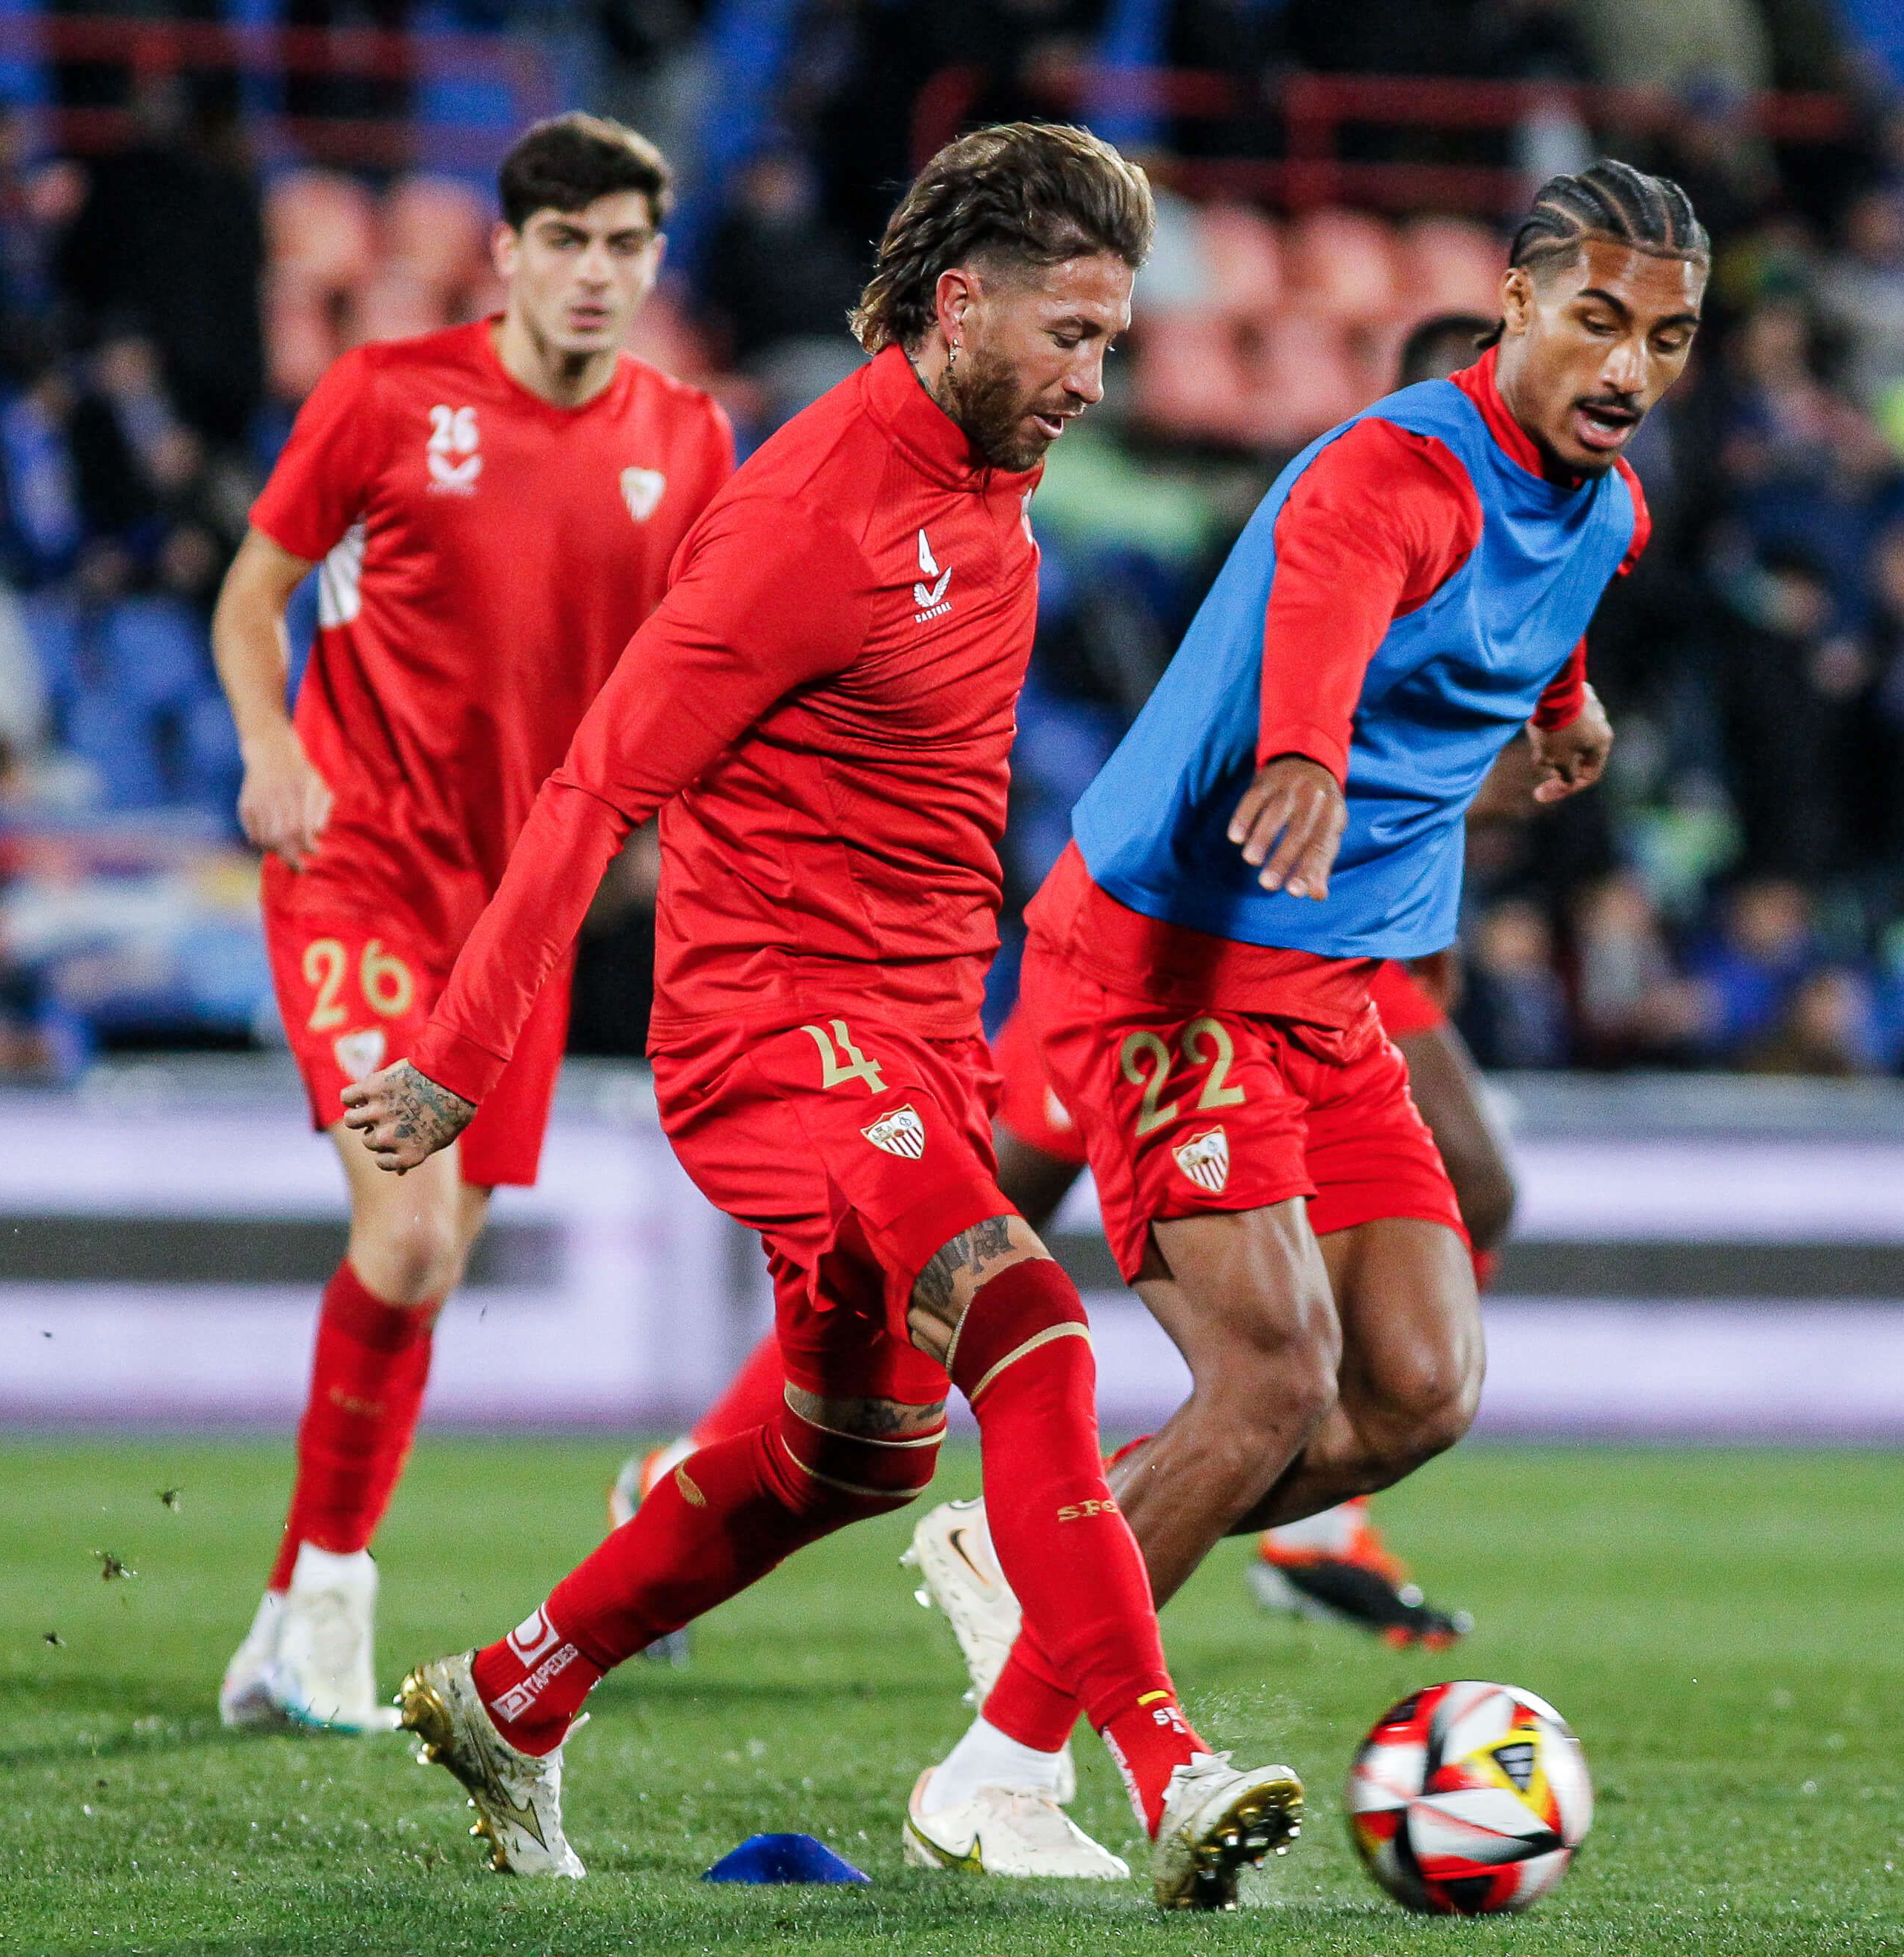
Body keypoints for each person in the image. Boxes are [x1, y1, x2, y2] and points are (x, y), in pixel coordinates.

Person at [335, 122, 1303, 1908]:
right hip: (776, 1035)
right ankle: (1167, 1767)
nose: (1095, 383)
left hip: (915, 1035)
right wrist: (467, 1054)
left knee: (850, 1453)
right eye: (1069, 337)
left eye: (1111, 340)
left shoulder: (986, 483)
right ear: (956, 308)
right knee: (1035, 1331)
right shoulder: (803, 519)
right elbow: (592, 785)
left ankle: (512, 1691)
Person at [901, 159, 1700, 1861]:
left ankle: (1029, 1545)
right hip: (1169, 966)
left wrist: (1567, 713)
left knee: (1415, 1390)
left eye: (1667, 337)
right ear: (1512, 304)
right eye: (1598, 321)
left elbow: (1530, 620)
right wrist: (1300, 759)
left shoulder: (1607, 511)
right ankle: (999, 1771)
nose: (1628, 367)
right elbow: (1323, 624)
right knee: (1267, 1378)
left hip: (1329, 995)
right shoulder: (1388, 471)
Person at [609, 311, 1524, 1652]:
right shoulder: (1349, 518)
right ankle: (694, 1473)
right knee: (952, 1248)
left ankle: (1301, 1499)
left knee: (1448, 1205)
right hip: (1200, 934)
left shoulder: (1523, 552)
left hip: (1335, 947)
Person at [209, 114, 734, 1737]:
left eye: (623, 246)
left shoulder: (690, 441)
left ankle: (297, 1608)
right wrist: (270, 745)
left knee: (424, 1264)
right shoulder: (382, 398)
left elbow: (705, 667)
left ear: (654, 262)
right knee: (418, 1231)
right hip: (357, 867)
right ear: (504, 251)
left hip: (523, 920)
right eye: (563, 241)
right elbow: (250, 593)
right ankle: (332, 1604)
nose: (593, 274)